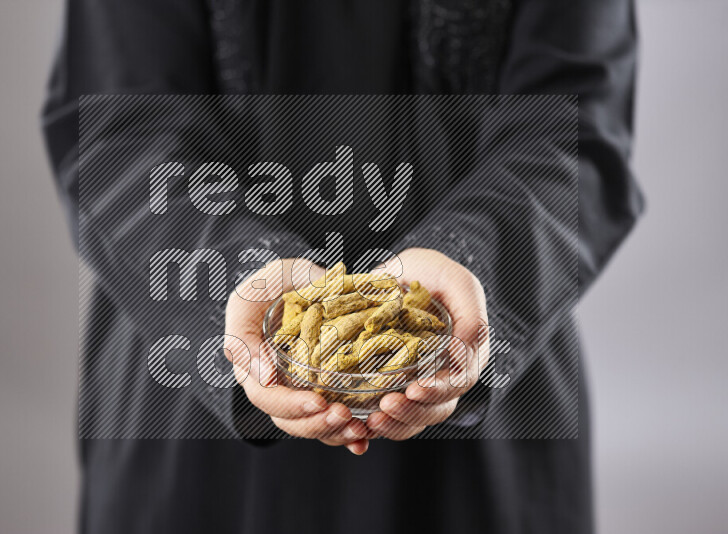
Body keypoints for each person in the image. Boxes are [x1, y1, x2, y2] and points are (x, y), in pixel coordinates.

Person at [42, 1, 643, 532]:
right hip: (193, 407)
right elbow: (118, 129)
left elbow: (576, 127)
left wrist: (469, 258)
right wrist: (239, 282)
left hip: (478, 365)